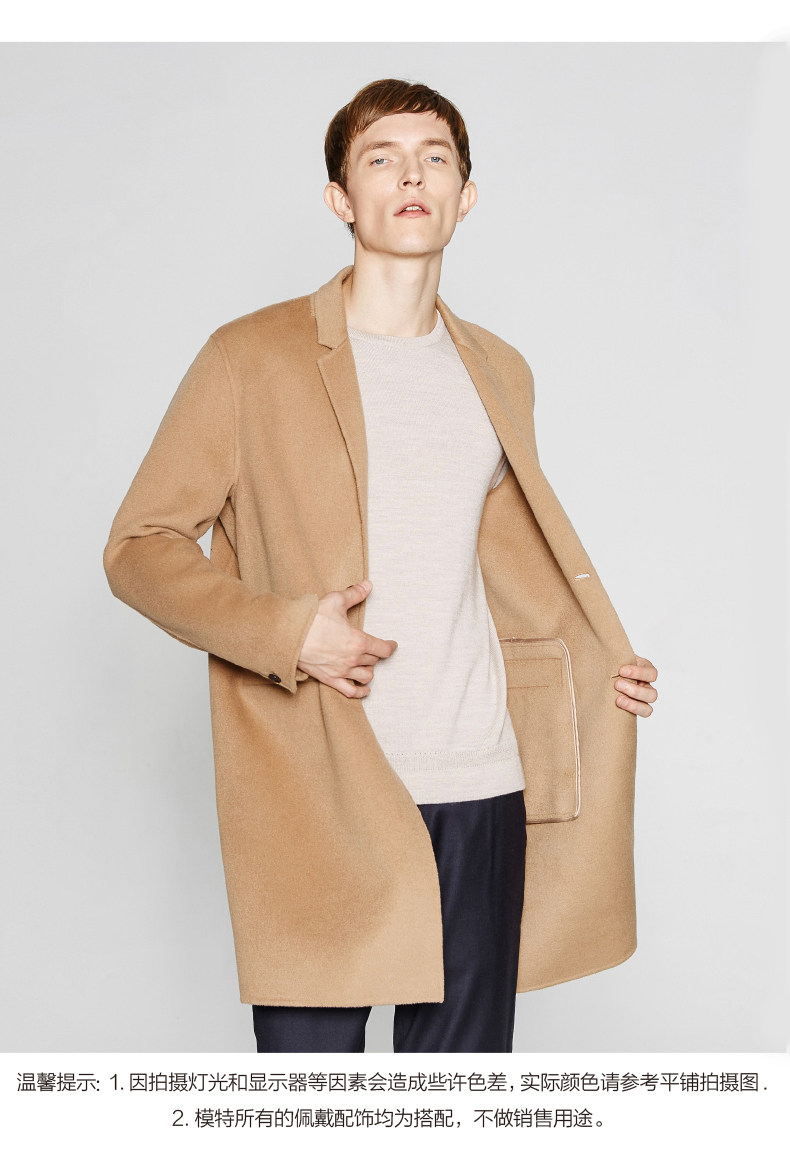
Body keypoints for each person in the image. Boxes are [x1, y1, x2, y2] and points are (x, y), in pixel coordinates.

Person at [103, 78, 658, 1054]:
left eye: (434, 159)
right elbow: (138, 548)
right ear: (340, 197)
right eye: (381, 158)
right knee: (314, 1106)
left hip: (481, 780)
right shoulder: (249, 358)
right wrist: (288, 634)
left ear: (464, 196)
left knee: (456, 1109)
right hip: (321, 783)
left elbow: (501, 567)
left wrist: (594, 670)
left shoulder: (499, 369)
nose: (411, 176)